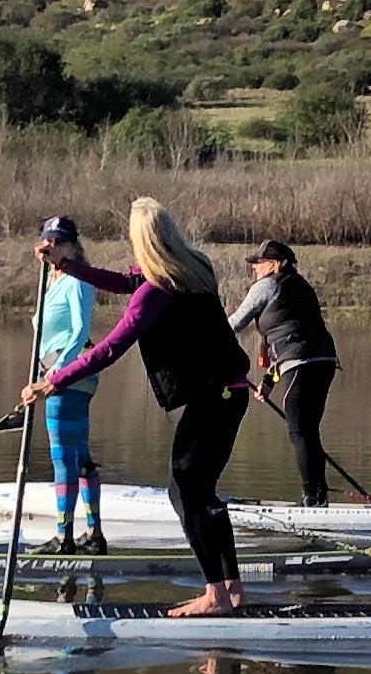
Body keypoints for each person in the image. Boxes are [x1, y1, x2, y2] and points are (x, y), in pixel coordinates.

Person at [22, 197, 255, 617]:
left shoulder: (158, 290)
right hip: (227, 393)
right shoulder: (192, 268)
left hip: (215, 397)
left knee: (184, 488)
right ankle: (231, 590)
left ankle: (216, 595)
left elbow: (110, 349)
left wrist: (52, 380)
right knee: (201, 492)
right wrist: (67, 265)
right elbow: (117, 280)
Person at [229, 240, 345, 508]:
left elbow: (236, 322)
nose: (254, 268)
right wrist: (269, 380)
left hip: (301, 362)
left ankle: (312, 499)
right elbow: (293, 334)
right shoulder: (302, 285)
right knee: (307, 430)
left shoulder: (267, 285)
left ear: (273, 264)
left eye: (258, 263)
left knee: (300, 431)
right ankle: (318, 495)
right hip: (323, 360)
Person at [16, 213, 106, 550]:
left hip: (69, 376)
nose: (52, 246)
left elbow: (80, 330)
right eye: (48, 240)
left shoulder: (77, 280)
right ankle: (93, 535)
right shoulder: (50, 281)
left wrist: (57, 374)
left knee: (63, 458)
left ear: (73, 246)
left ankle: (63, 535)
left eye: (59, 242)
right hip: (57, 373)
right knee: (80, 457)